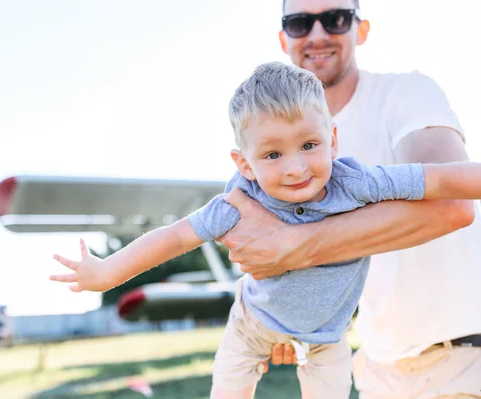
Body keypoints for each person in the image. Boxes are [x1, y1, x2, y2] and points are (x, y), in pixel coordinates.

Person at [49, 61, 481, 399]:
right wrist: (107, 273)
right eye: (272, 154)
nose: (295, 168)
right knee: (229, 388)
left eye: (309, 146)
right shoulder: (240, 202)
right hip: (252, 324)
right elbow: (176, 237)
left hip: (327, 338)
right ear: (244, 163)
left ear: (333, 140)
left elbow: (441, 180)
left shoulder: (358, 183)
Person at [220, 1, 481, 398]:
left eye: (336, 19)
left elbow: (454, 206)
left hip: (461, 358)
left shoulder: (407, 92)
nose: (318, 34)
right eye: (300, 22)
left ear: (360, 30)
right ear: (283, 38)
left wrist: (295, 248)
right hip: (377, 368)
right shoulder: (278, 151)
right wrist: (288, 317)